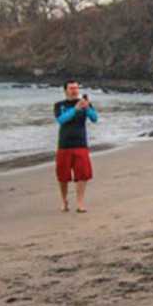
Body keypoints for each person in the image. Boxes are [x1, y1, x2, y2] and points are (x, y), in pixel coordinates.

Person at [54, 80, 97, 213]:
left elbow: (94, 118)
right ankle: (64, 201)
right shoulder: (59, 105)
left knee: (82, 175)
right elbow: (61, 120)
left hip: (80, 144)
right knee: (63, 176)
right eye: (71, 88)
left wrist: (88, 107)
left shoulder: (84, 103)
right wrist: (75, 109)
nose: (74, 90)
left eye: (76, 88)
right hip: (64, 144)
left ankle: (80, 203)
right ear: (66, 90)